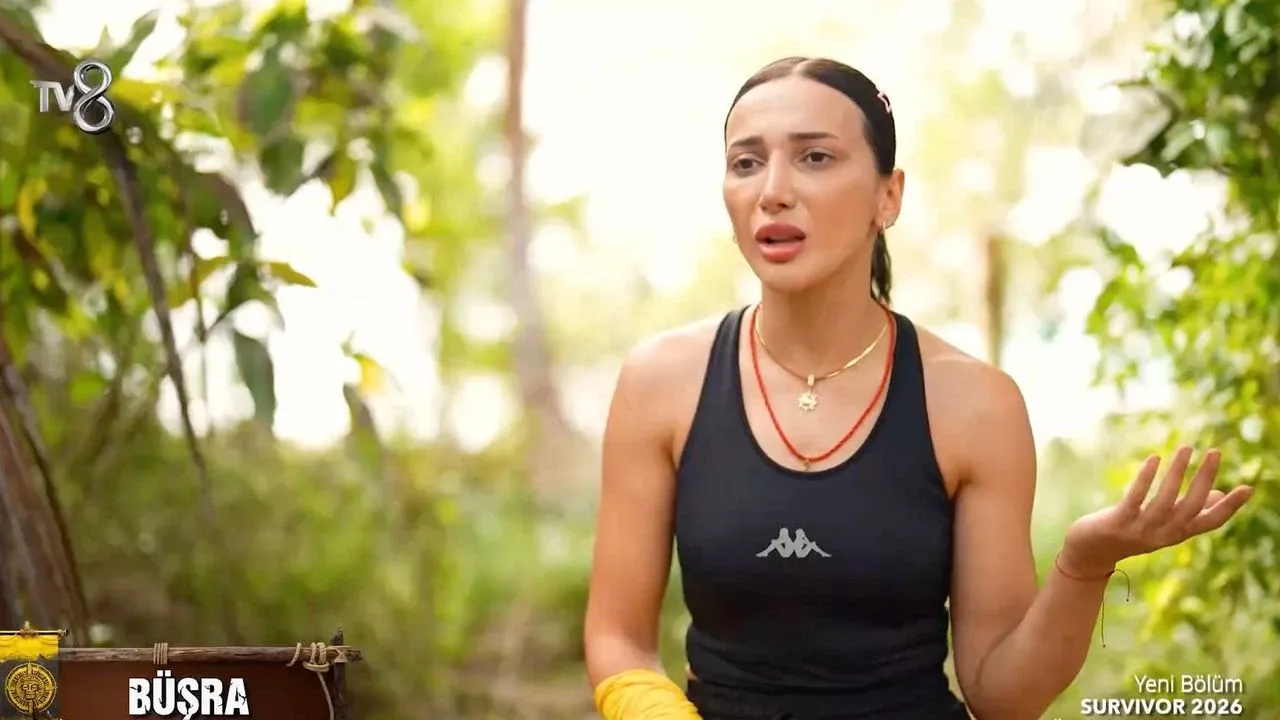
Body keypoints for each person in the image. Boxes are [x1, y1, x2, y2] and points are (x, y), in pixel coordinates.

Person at [583, 56, 1254, 719]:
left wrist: (1083, 566)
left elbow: (1002, 696)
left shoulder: (975, 404)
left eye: (815, 157)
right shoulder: (661, 383)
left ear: (889, 195)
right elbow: (618, 640)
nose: (773, 190)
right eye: (747, 162)